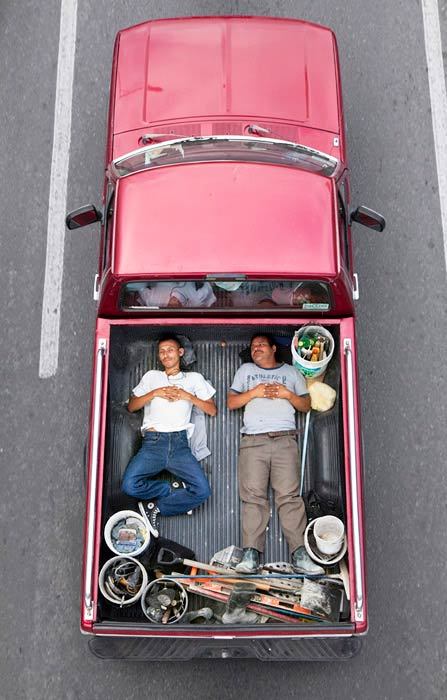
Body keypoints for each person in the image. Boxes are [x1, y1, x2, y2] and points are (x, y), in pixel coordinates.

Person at [227, 333, 324, 574]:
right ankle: (251, 554)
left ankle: (300, 554)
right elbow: (231, 403)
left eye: (260, 344)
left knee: (290, 497)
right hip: (253, 441)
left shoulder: (291, 372)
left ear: (273, 348)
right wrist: (255, 392)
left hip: (285, 440)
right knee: (253, 498)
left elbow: (306, 405)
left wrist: (287, 395)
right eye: (252, 346)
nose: (255, 348)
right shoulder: (246, 370)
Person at [122, 335, 217, 536]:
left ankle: (156, 508)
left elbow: (212, 410)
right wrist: (155, 393)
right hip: (153, 444)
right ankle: (170, 489)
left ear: (180, 352)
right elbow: (132, 406)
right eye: (162, 351)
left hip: (179, 445)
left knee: (202, 491)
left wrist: (187, 396)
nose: (166, 354)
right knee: (130, 485)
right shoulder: (151, 377)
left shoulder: (194, 379)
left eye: (170, 350)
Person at [138, 281, 216, 308]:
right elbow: (209, 280)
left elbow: (139, 285)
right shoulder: (197, 299)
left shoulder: (153, 301)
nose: (173, 307)